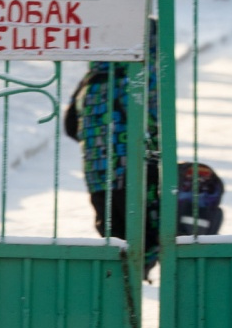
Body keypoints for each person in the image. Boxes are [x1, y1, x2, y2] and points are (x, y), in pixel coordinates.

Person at [65, 18, 162, 279]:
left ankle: (122, 286)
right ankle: (139, 273)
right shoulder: (144, 75)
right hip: (135, 167)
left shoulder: (93, 76)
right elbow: (153, 120)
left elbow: (70, 125)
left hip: (98, 171)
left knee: (112, 228)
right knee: (146, 227)